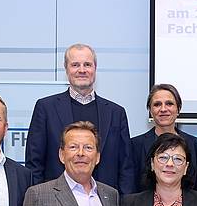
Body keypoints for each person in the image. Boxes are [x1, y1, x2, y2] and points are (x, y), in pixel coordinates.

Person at [25, 43, 135, 192]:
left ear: (95, 69)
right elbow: (34, 163)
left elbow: (126, 167)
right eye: (75, 65)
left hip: (105, 204)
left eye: (87, 65)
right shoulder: (45, 108)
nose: (82, 70)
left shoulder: (116, 113)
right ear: (66, 69)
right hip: (56, 203)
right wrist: (38, 201)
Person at [130, 84, 197, 191]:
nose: (163, 109)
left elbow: (196, 184)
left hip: (187, 205)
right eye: (157, 104)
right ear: (150, 111)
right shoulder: (135, 144)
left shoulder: (193, 142)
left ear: (178, 109)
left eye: (169, 104)